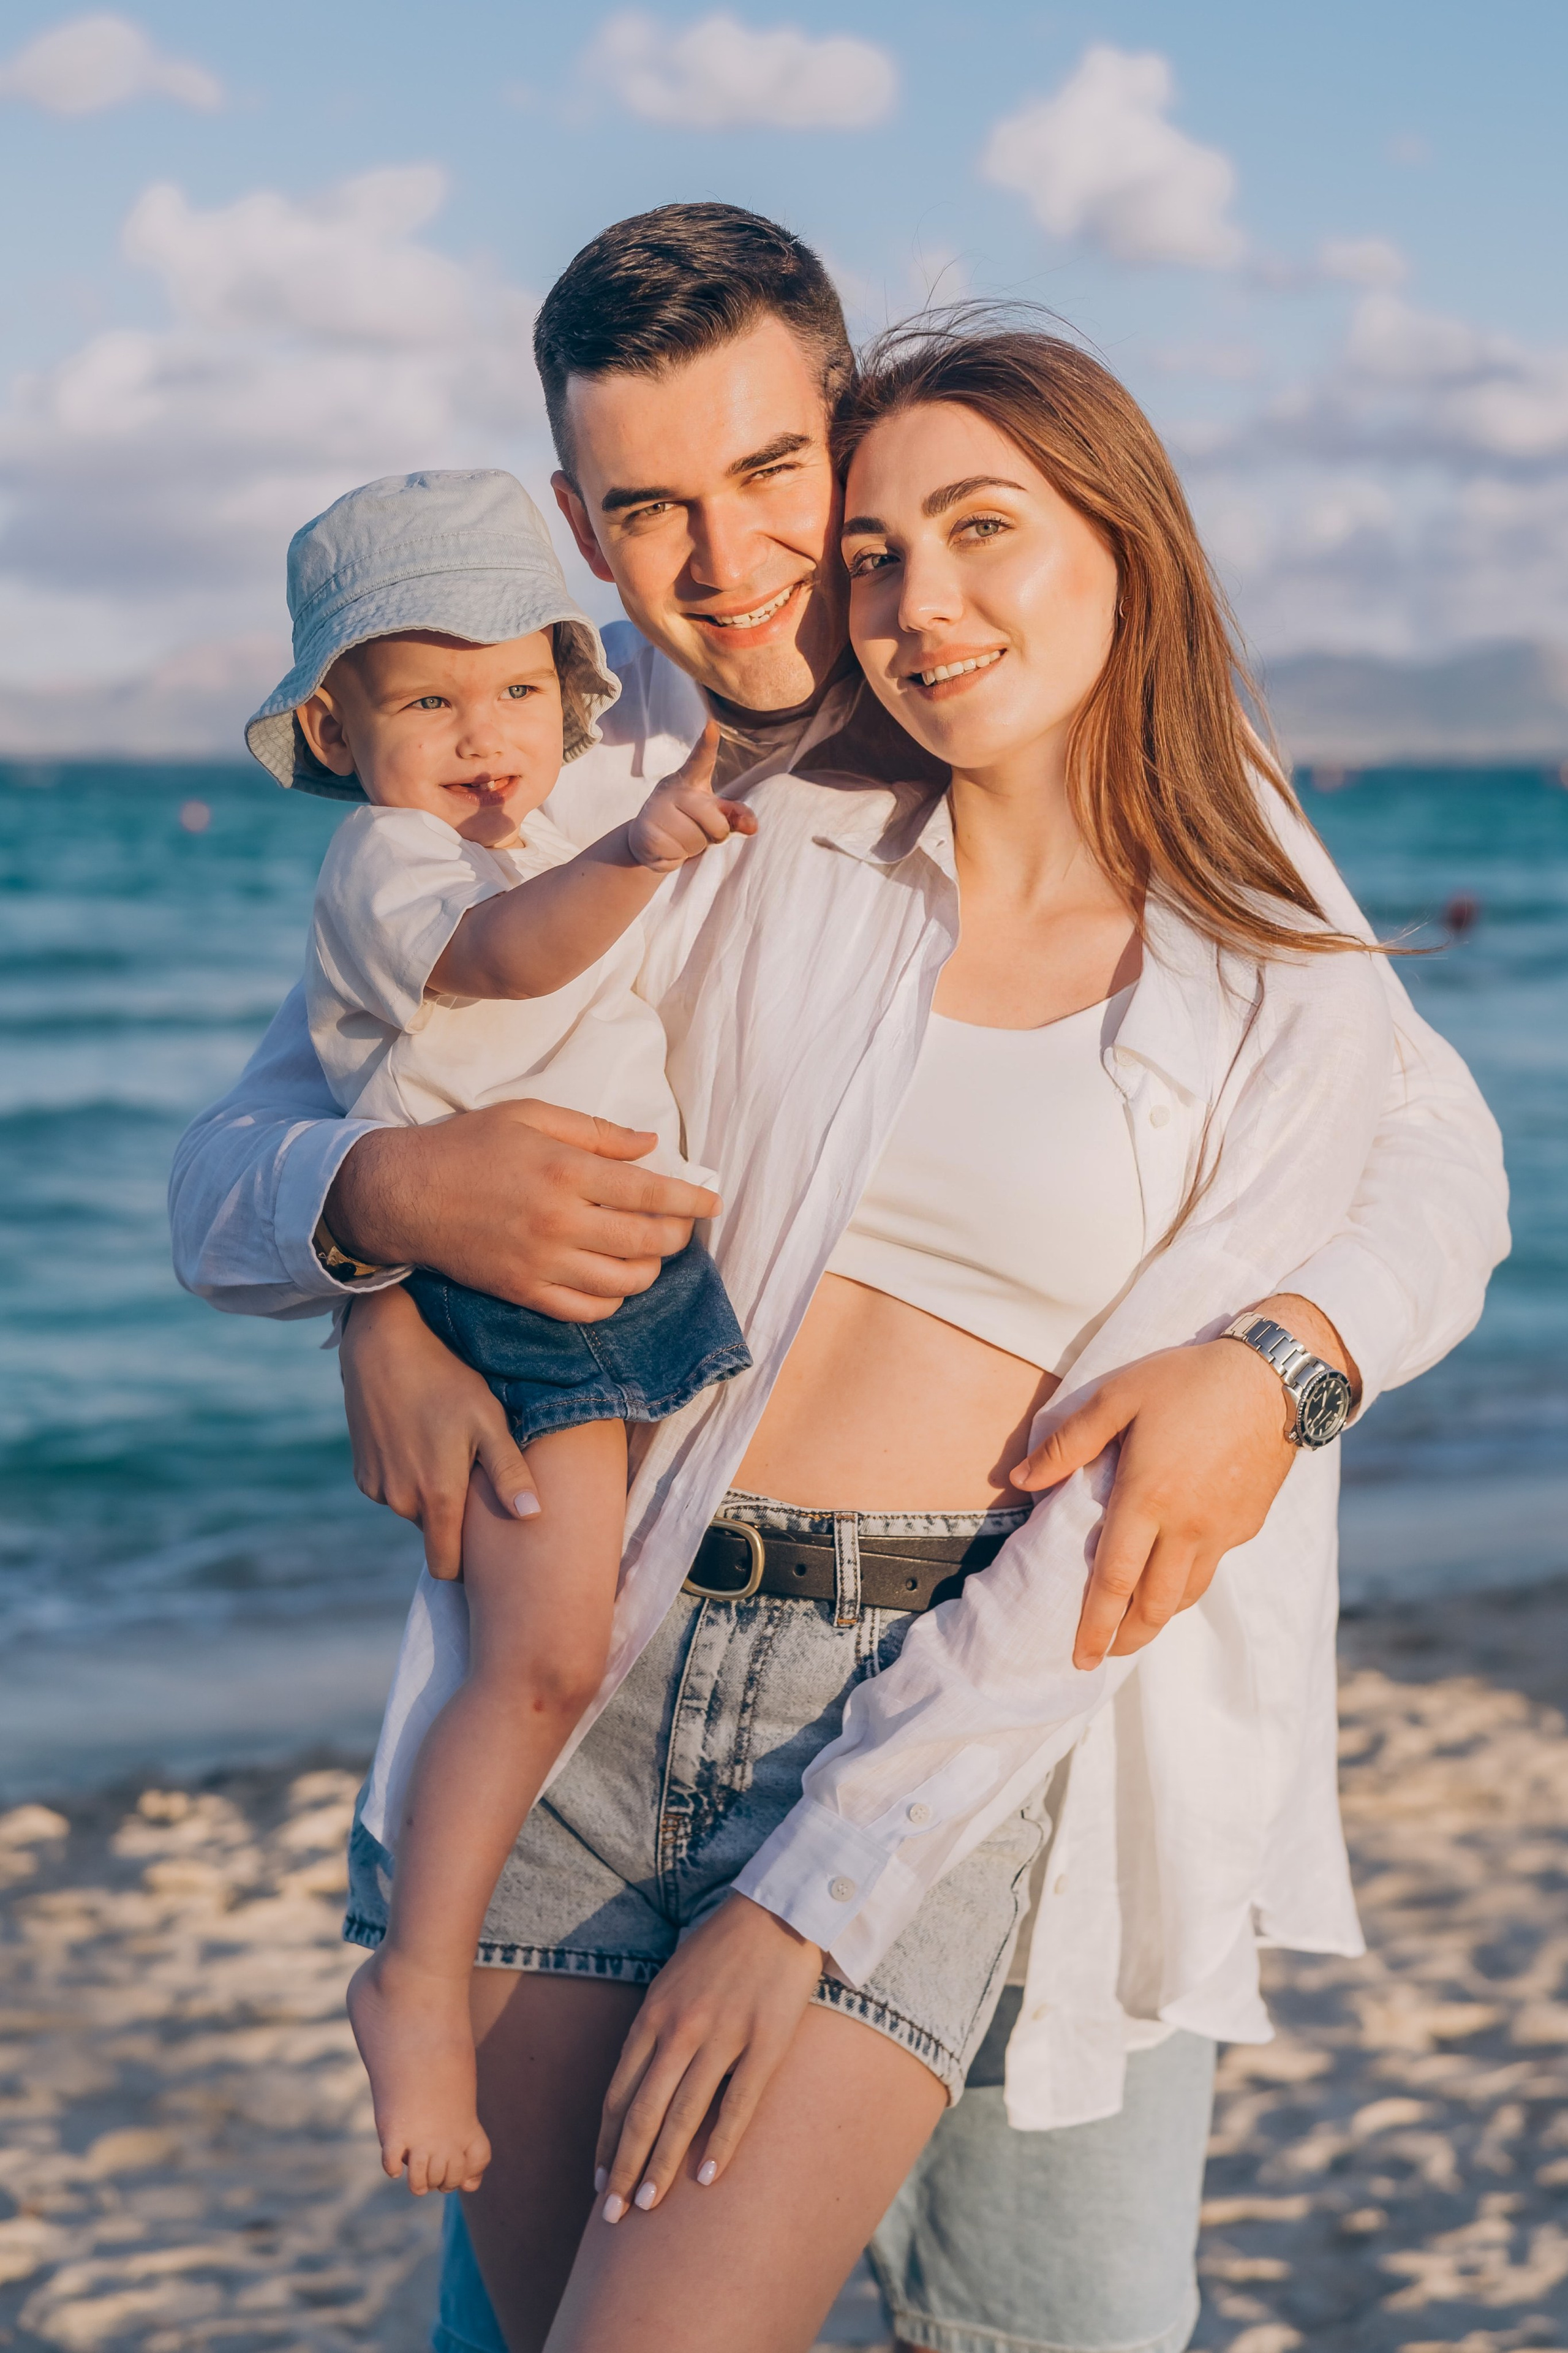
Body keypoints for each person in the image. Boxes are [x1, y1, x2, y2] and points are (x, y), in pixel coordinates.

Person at [170, 208, 1507, 2353]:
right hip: (622, 1646)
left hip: (1010, 1686)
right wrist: (386, 1245)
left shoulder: (1187, 819)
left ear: (850, 426)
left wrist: (1284, 1360)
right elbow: (256, 1152)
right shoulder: (597, 822)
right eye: (648, 510)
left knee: (1049, 2320)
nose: (727, 562)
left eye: (777, 476)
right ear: (576, 534)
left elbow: (1428, 1153)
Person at [245, 467, 755, 2198]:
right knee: (534, 1664)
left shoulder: (526, 818)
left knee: (567, 1645)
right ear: (338, 723)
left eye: (521, 687)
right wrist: (639, 847)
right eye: (429, 697)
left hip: (613, 1292)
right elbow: (507, 959)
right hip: (517, 1313)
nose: (486, 733)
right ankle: (417, 1972)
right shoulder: (400, 862)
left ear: (570, 683)